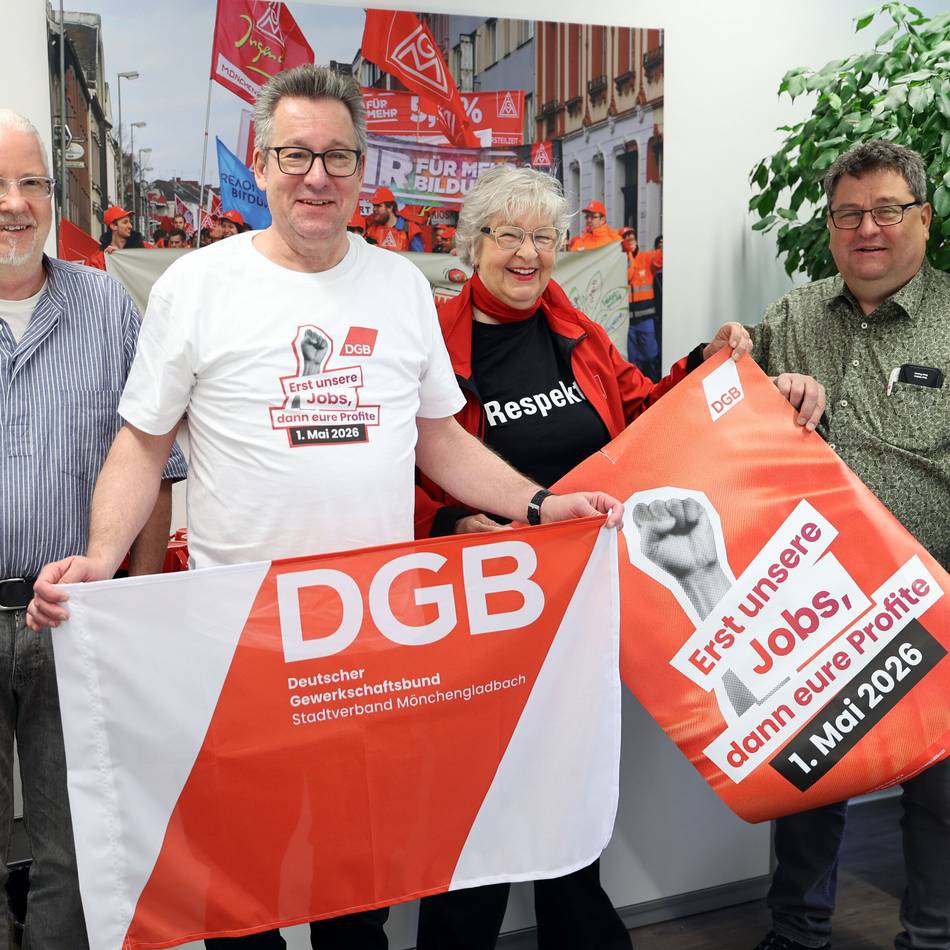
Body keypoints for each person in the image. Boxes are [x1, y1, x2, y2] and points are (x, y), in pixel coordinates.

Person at [27, 66, 623, 950]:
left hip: (367, 642)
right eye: (297, 155)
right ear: (263, 165)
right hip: (241, 642)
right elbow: (143, 442)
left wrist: (541, 507)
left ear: (361, 170)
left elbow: (441, 441)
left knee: (358, 882)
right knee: (241, 883)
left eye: (338, 157)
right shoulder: (197, 285)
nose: (318, 176)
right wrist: (101, 560)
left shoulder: (399, 289)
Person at [413, 164, 822, 950]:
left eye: (544, 238)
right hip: (483, 616)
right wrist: (457, 521)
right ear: (474, 246)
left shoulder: (577, 331)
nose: (528, 253)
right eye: (510, 235)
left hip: (582, 609)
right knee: (480, 820)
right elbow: (405, 462)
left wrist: (712, 361)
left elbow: (640, 410)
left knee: (571, 800)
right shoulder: (435, 339)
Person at [747, 139, 949, 950]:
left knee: (938, 795)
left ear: (924, 221)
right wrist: (734, 362)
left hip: (932, 603)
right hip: (815, 608)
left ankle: (930, 940)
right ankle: (796, 936)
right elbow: (718, 401)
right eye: (847, 215)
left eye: (886, 211)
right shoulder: (795, 316)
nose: (867, 229)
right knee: (808, 783)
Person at [0, 108, 186, 948]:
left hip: (77, 621)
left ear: (52, 192)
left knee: (73, 848)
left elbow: (155, 464)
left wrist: (139, 607)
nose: (14, 203)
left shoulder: (107, 304)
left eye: (30, 182)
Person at [621, 225, 662, 381]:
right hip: (628, 321)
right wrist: (628, 255)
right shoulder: (621, 262)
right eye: (626, 238)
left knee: (651, 357)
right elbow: (627, 276)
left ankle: (654, 386)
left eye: (631, 236)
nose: (629, 239)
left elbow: (660, 258)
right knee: (633, 362)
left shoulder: (646, 258)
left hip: (646, 319)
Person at [364, 186, 424, 251]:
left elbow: (418, 258)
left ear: (390, 207)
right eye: (374, 205)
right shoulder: (370, 227)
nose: (374, 209)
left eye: (378, 205)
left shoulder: (410, 229)